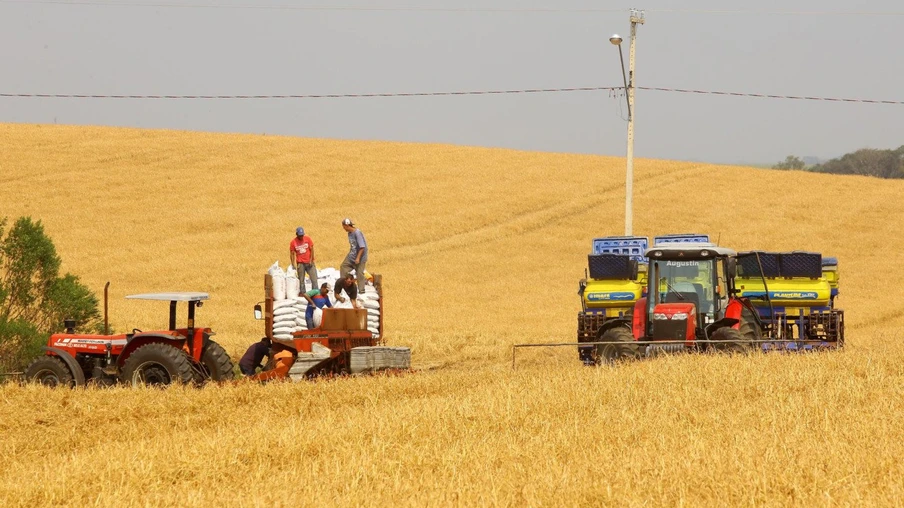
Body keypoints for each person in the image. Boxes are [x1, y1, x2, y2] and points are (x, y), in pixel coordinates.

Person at [340, 218, 368, 293]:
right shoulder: (349, 233)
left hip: (360, 258)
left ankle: (361, 290)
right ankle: (345, 286)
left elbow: (362, 247)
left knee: (359, 274)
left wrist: (358, 258)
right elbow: (353, 246)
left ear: (347, 225)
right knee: (343, 267)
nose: (344, 229)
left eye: (344, 227)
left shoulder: (357, 233)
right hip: (351, 256)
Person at [289, 226, 318, 293]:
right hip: (300, 263)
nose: (301, 237)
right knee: (301, 280)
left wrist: (311, 260)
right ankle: (303, 293)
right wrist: (293, 264)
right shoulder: (293, 242)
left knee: (314, 278)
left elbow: (312, 249)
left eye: (302, 235)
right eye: (300, 235)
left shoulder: (307, 239)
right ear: (297, 234)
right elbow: (292, 253)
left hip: (309, 262)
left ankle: (315, 292)